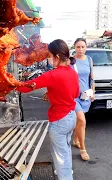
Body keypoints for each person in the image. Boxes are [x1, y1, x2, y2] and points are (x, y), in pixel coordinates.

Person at [16, 39, 79, 180]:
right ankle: (65, 172)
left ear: (57, 56)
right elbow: (75, 94)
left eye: (49, 56)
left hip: (59, 121)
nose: (48, 59)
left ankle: (65, 176)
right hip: (71, 117)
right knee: (65, 150)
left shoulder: (52, 75)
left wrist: (10, 83)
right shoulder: (72, 73)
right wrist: (52, 92)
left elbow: (26, 87)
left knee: (60, 155)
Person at [70, 38, 94, 161]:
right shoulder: (71, 61)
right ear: (74, 47)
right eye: (78, 47)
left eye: (83, 47)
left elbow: (92, 78)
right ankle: (83, 149)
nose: (80, 49)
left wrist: (92, 91)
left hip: (86, 96)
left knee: (79, 122)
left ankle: (75, 140)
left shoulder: (89, 60)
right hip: (73, 97)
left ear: (86, 47)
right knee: (82, 121)